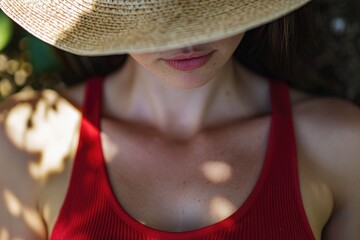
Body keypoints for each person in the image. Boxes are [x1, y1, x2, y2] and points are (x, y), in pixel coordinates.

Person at [0, 0, 359, 239]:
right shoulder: (25, 143)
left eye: (205, 6)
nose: (186, 41)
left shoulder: (341, 143)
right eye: (151, 10)